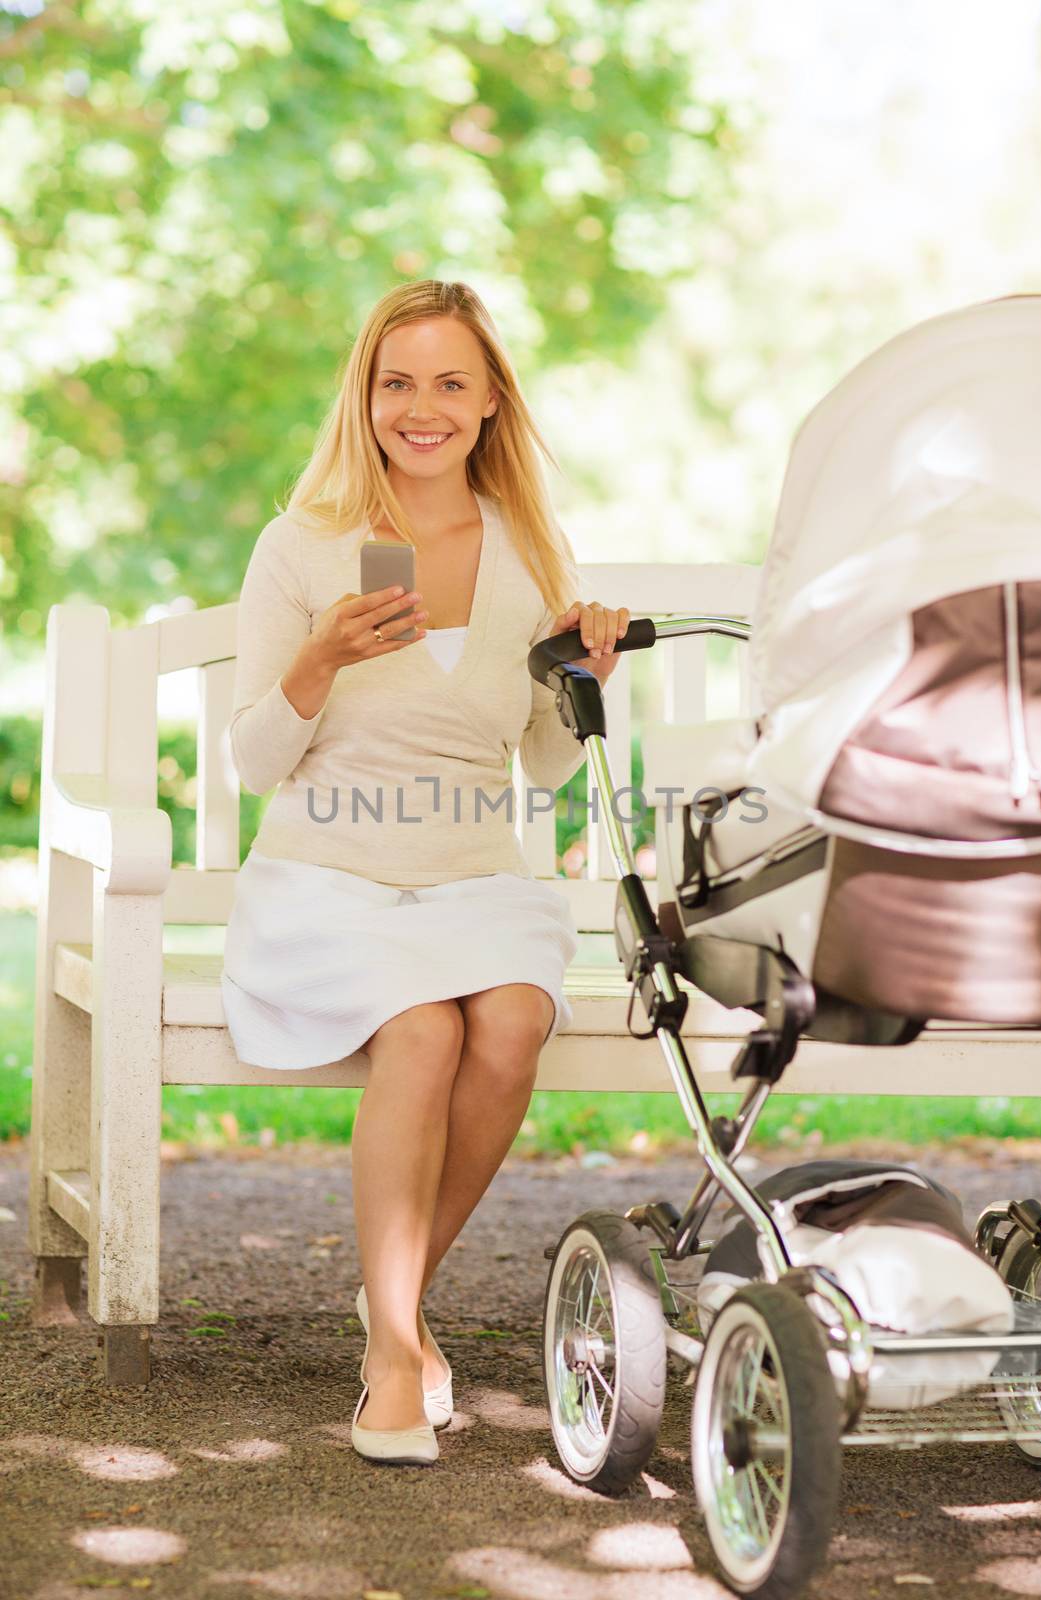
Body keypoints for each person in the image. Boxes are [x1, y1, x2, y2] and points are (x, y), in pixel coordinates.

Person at [221, 279, 629, 1466]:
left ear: (490, 400)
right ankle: (397, 1345)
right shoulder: (302, 545)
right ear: (366, 395)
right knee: (420, 1027)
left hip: (471, 874)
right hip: (326, 875)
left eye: (450, 381)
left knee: (506, 1017)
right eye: (397, 381)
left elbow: (546, 767)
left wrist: (587, 669)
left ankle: (388, 1303)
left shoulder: (526, 549)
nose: (421, 406)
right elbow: (255, 763)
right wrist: (319, 656)